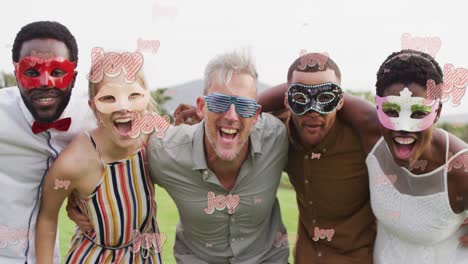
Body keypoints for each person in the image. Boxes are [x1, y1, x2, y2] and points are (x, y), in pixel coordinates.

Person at [68, 50, 290, 263]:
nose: (231, 116)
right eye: (219, 103)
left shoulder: (277, 137)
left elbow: (305, 88)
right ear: (202, 107)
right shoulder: (165, 152)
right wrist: (76, 192)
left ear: (257, 114)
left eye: (244, 106)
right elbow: (112, 139)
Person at [343, 50, 468, 263]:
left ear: (437, 112)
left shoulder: (459, 168)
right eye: (391, 111)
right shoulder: (370, 132)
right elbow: (319, 90)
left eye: (419, 113)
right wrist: (263, 110)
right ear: (377, 106)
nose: (403, 126)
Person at [35, 58, 166, 263]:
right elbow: (47, 217)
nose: (124, 107)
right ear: (93, 106)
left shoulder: (153, 138)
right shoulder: (76, 161)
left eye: (133, 95)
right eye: (109, 98)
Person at [0, 21, 94, 264]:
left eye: (57, 72)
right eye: (31, 72)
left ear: (73, 78)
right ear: (16, 74)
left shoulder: (93, 116)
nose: (45, 82)